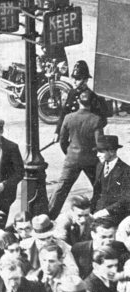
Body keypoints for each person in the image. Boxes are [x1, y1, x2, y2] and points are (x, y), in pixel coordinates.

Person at [49, 90, 108, 218]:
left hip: (72, 159)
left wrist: (69, 152)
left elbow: (63, 140)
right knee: (99, 187)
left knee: (62, 188)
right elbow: (100, 143)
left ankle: (50, 215)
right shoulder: (96, 119)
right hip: (90, 160)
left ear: (78, 101)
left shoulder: (68, 117)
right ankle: (94, 212)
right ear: (92, 102)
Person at [92, 134, 130, 222]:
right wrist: (90, 210)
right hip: (97, 212)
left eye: (101, 151)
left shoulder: (126, 170)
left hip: (115, 215)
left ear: (112, 151)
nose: (97, 155)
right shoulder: (99, 166)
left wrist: (104, 212)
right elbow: (96, 193)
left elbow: (126, 200)